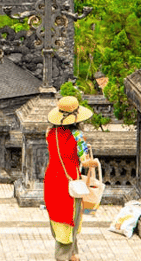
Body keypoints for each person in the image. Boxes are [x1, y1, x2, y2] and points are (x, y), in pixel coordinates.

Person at [44, 96, 98, 261]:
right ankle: (63, 256)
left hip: (52, 180)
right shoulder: (78, 136)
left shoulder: (50, 132)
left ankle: (73, 253)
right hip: (69, 183)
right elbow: (85, 161)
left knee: (57, 216)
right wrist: (94, 162)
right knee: (69, 218)